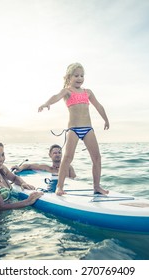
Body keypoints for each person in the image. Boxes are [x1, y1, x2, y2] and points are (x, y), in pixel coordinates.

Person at [38, 63, 110, 196]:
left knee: (97, 158)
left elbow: (99, 106)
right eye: (76, 75)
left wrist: (106, 119)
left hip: (88, 129)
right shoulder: (67, 91)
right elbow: (56, 97)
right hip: (74, 130)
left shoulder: (88, 92)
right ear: (69, 77)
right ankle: (59, 187)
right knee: (67, 158)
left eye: (82, 75)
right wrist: (47, 103)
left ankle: (97, 186)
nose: (79, 78)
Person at [0, 140, 43, 212]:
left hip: (8, 217)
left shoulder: (1, 169)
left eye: (2, 155)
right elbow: (0, 206)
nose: (1, 159)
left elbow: (14, 178)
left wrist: (23, 183)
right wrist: (28, 201)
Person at [11, 144, 76, 179]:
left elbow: (75, 180)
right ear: (50, 155)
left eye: (59, 152)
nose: (57, 154)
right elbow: (28, 165)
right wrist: (20, 168)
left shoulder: (68, 168)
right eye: (55, 153)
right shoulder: (46, 168)